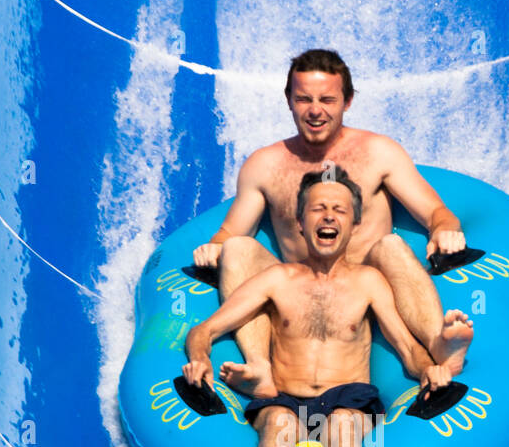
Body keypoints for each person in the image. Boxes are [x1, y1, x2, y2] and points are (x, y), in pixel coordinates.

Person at [184, 170, 471, 447]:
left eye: (340, 210)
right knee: (276, 423)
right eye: (318, 209)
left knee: (346, 428)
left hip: (348, 395)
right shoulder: (278, 280)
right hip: (285, 394)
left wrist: (428, 369)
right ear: (301, 224)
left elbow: (405, 346)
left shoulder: (368, 281)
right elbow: (205, 329)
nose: (329, 217)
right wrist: (199, 358)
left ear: (354, 225)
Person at [191, 48, 473, 401]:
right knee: (237, 249)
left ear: (347, 101)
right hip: (300, 295)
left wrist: (443, 229)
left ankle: (438, 344)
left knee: (390, 247)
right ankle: (259, 366)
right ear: (289, 101)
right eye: (304, 98)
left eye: (327, 99)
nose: (315, 110)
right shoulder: (265, 165)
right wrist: (216, 245)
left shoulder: (379, 153)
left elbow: (436, 212)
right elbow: (231, 232)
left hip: (368, 290)